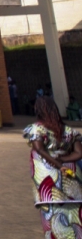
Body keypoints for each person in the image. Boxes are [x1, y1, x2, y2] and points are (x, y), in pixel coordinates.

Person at [25, 97, 82, 234]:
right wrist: (63, 159)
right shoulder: (70, 131)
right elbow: (79, 153)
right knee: (75, 214)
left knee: (51, 215)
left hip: (47, 178)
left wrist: (57, 163)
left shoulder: (36, 129)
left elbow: (39, 149)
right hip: (72, 175)